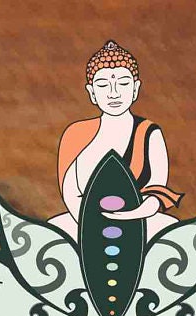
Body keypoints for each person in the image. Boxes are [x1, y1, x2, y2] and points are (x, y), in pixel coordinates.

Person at [53, 40, 177, 235]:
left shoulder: (148, 133)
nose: (114, 93)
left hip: (141, 221)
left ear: (136, 89)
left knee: (174, 233)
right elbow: (70, 192)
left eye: (123, 83)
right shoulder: (76, 134)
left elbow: (157, 191)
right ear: (92, 92)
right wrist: (91, 221)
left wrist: (133, 215)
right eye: (103, 85)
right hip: (84, 221)